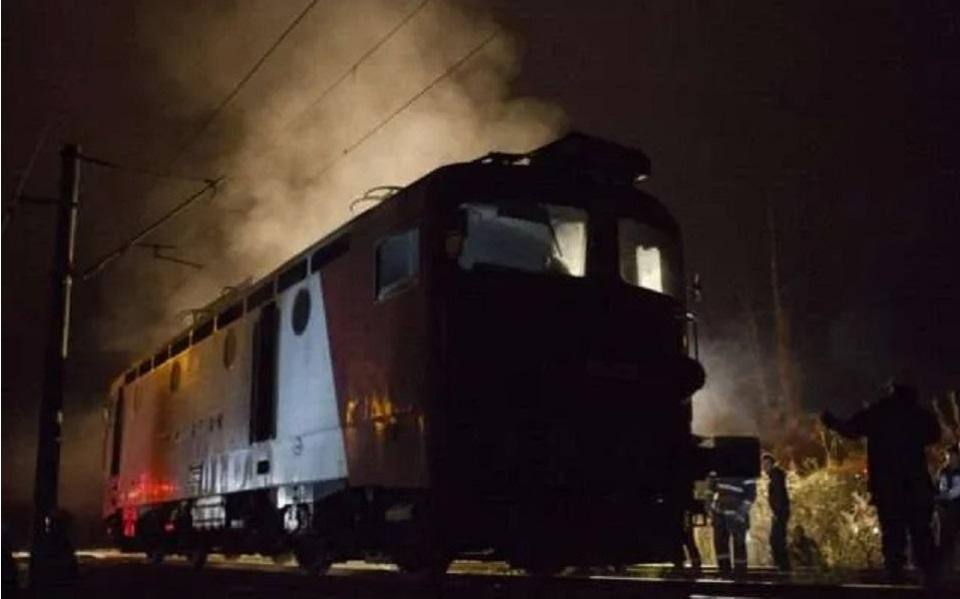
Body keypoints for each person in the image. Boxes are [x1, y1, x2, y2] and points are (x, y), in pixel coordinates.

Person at [821, 380, 940, 582]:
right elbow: (934, 434)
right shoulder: (918, 414)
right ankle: (929, 573)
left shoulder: (878, 412)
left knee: (893, 531)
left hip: (887, 485)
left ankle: (896, 573)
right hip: (915, 483)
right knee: (921, 530)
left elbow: (851, 430)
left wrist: (831, 421)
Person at [709, 472, 756, 577]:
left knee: (739, 545)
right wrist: (709, 506)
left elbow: (751, 495)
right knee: (720, 544)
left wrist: (741, 513)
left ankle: (740, 574)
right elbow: (709, 487)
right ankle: (724, 572)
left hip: (736, 514)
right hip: (720, 513)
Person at [761, 453, 791, 571]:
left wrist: (777, 513)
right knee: (777, 539)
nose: (764, 467)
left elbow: (778, 494)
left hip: (780, 512)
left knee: (776, 539)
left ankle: (782, 566)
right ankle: (782, 566)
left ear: (772, 464)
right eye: (763, 465)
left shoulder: (775, 475)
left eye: (766, 464)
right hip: (781, 512)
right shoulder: (775, 475)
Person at [936, 445, 960, 575]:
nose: (951, 459)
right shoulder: (944, 471)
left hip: (956, 509)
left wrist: (945, 495)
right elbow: (941, 488)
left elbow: (956, 491)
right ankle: (946, 568)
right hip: (946, 511)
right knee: (946, 539)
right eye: (949, 456)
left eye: (953, 456)